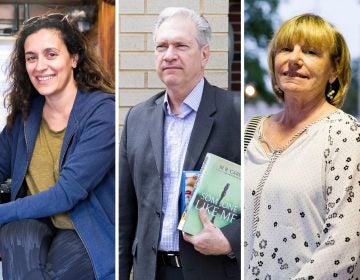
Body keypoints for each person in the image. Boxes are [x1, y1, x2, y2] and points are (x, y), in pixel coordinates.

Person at [119, 6, 240, 280]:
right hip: (150, 272)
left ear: (205, 54)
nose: (169, 55)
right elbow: (126, 214)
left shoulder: (236, 113)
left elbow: (260, 198)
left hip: (211, 271)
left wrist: (231, 239)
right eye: (161, 46)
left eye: (180, 46)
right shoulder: (137, 118)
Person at [244, 13, 360, 279]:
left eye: (310, 51)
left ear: (334, 70)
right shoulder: (249, 131)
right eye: (285, 49)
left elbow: (347, 243)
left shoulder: (346, 134)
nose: (293, 59)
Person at [0, 13, 115, 280]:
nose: (40, 66)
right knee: (15, 236)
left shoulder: (102, 113)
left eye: (51, 54)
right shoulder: (26, 115)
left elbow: (67, 193)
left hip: (85, 229)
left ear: (74, 58)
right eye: (31, 57)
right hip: (39, 222)